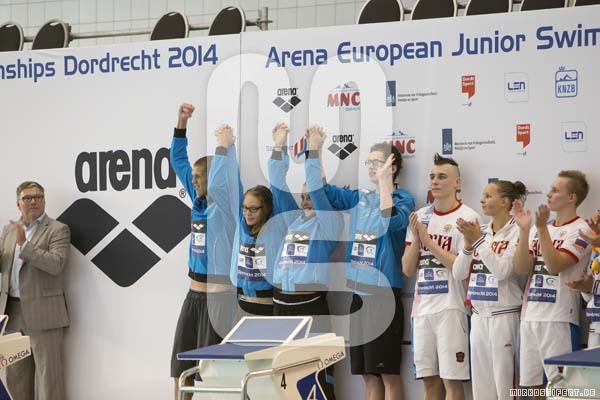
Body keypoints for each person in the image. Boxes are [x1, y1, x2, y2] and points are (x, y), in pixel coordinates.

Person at [306, 126, 414, 400]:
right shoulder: (359, 198)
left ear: (392, 168)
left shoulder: (403, 198)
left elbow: (391, 221)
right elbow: (321, 190)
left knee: (388, 374)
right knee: (368, 375)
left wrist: (385, 183)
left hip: (383, 298)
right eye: (370, 161)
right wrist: (314, 151)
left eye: (378, 162)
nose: (372, 166)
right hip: (358, 297)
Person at [268, 123, 344, 399]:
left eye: (311, 196)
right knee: (284, 378)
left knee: (316, 377)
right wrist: (278, 148)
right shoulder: (292, 221)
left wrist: (313, 152)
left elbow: (317, 188)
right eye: (302, 197)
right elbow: (278, 189)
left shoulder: (328, 224)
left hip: (310, 304)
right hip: (281, 303)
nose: (306, 201)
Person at [169, 103, 238, 400]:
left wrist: (224, 148)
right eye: (194, 177)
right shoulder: (198, 201)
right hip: (193, 298)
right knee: (180, 368)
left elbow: (224, 180)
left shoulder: (228, 208)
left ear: (213, 178)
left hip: (219, 301)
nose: (193, 181)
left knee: (216, 372)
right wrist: (181, 123)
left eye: (199, 177)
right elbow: (178, 162)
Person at [402, 153, 480, 400]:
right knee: (429, 382)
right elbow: (407, 269)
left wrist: (428, 241)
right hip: (422, 310)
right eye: (432, 176)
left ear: (457, 183)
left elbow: (462, 269)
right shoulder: (420, 216)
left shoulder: (468, 217)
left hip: (451, 308)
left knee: (452, 382)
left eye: (442, 177)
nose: (435, 181)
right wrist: (417, 240)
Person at [513, 170, 592, 399]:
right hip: (530, 317)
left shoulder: (582, 229)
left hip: (559, 318)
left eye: (555, 190)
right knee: (533, 389)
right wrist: (525, 230)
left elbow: (555, 265)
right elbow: (521, 268)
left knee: (561, 391)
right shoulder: (540, 227)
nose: (548, 194)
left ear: (572, 198)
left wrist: (541, 229)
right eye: (549, 189)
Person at [452, 180, 527, 400]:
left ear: (504, 201)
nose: (482, 200)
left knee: (505, 386)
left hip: (504, 314)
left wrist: (478, 242)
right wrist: (468, 247)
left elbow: (502, 271)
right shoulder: (481, 231)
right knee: (482, 389)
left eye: (488, 196)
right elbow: (458, 273)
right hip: (478, 316)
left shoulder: (517, 231)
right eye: (483, 195)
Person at [0, 181, 71, 400]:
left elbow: (56, 264)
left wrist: (25, 246)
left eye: (38, 197)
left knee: (48, 382)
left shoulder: (58, 229)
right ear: (18, 203)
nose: (34, 201)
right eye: (28, 198)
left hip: (44, 314)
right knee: (15, 380)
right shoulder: (8, 230)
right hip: (12, 313)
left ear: (44, 201)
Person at [567, 210, 600, 348]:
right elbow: (590, 298)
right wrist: (586, 288)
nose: (597, 217)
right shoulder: (595, 251)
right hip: (595, 328)